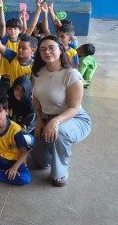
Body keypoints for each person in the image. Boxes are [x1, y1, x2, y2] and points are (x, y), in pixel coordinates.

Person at [30, 36, 92, 187]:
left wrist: (55, 121)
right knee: (40, 162)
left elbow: (74, 108)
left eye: (51, 48)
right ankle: (56, 147)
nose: (47, 52)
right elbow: (35, 97)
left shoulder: (71, 74)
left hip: (73, 118)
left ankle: (61, 172)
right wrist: (39, 120)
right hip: (46, 117)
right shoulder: (38, 72)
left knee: (61, 133)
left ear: (61, 49)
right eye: (43, 49)